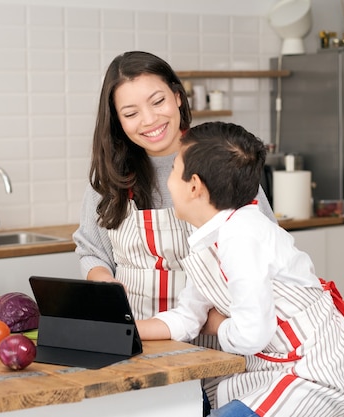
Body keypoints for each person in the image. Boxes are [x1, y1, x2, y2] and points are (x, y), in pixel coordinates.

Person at [136, 121, 344, 417]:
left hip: (317, 372)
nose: (167, 181)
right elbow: (189, 317)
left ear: (194, 186)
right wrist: (128, 329)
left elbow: (252, 333)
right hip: (273, 368)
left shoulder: (242, 235)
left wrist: (216, 325)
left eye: (174, 169)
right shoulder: (208, 240)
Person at [73, 51, 276, 323]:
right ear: (117, 121)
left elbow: (265, 250)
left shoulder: (220, 159)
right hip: (136, 334)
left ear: (177, 96)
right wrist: (104, 281)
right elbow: (92, 250)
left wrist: (226, 324)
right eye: (131, 113)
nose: (149, 120)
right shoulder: (110, 173)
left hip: (219, 338)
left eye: (158, 101)